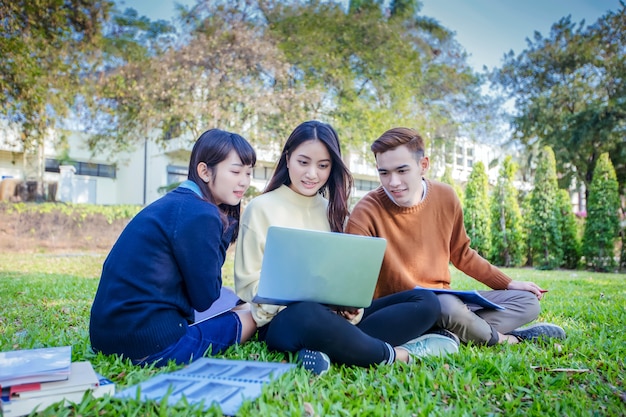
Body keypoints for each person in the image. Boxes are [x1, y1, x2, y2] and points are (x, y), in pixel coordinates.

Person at [234, 120, 458, 375]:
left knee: (426, 301)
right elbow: (247, 283)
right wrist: (301, 297)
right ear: (287, 159)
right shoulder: (261, 208)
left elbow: (340, 278)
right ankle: (398, 355)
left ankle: (329, 349)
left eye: (323, 166)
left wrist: (349, 306)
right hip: (284, 321)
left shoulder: (333, 212)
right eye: (303, 162)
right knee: (307, 312)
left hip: (333, 319)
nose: (312, 174)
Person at [345, 127, 566, 346]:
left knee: (527, 302)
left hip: (446, 301)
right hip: (404, 308)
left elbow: (462, 254)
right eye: (384, 172)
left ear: (423, 165)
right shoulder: (366, 210)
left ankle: (447, 333)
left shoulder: (446, 196)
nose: (392, 182)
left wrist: (508, 283)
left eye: (402, 171)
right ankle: (506, 339)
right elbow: (353, 271)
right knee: (444, 306)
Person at [89, 129, 257, 366]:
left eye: (249, 173)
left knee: (234, 300)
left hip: (106, 340)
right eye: (235, 171)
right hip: (154, 345)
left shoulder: (174, 203)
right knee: (252, 313)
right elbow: (205, 298)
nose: (244, 181)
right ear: (204, 171)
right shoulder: (203, 214)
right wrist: (224, 230)